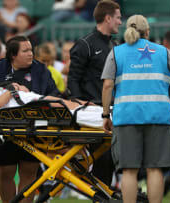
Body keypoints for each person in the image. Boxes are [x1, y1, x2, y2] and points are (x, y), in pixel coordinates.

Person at [101, 15, 170, 203]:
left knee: (129, 171)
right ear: (148, 32)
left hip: (126, 117)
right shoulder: (164, 52)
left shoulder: (116, 53)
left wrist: (106, 114)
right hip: (159, 116)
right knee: (154, 169)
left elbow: (107, 86)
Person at [0, 35, 59, 203]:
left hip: (33, 129)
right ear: (13, 55)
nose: (31, 54)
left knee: (29, 171)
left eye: (31, 49)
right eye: (25, 51)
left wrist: (31, 95)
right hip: (4, 129)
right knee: (5, 172)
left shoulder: (41, 70)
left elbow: (53, 95)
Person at [67, 0, 121, 186]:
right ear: (107, 18)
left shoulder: (114, 44)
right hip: (94, 111)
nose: (120, 22)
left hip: (113, 109)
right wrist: (80, 103)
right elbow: (73, 79)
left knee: (113, 160)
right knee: (103, 160)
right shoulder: (85, 44)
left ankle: (103, 196)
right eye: (118, 18)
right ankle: (100, 197)